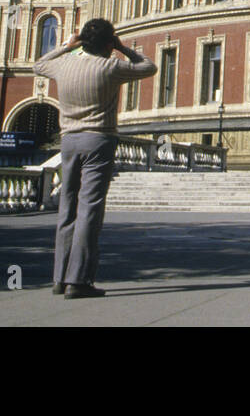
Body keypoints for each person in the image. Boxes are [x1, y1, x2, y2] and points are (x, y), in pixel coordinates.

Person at [34, 18, 156, 298]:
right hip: (99, 139)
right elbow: (149, 66)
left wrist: (67, 47)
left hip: (69, 141)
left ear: (83, 42)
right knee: (89, 209)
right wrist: (124, 49)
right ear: (108, 43)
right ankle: (78, 281)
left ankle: (59, 278)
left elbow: (38, 65)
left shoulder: (63, 65)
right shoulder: (110, 66)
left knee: (67, 207)